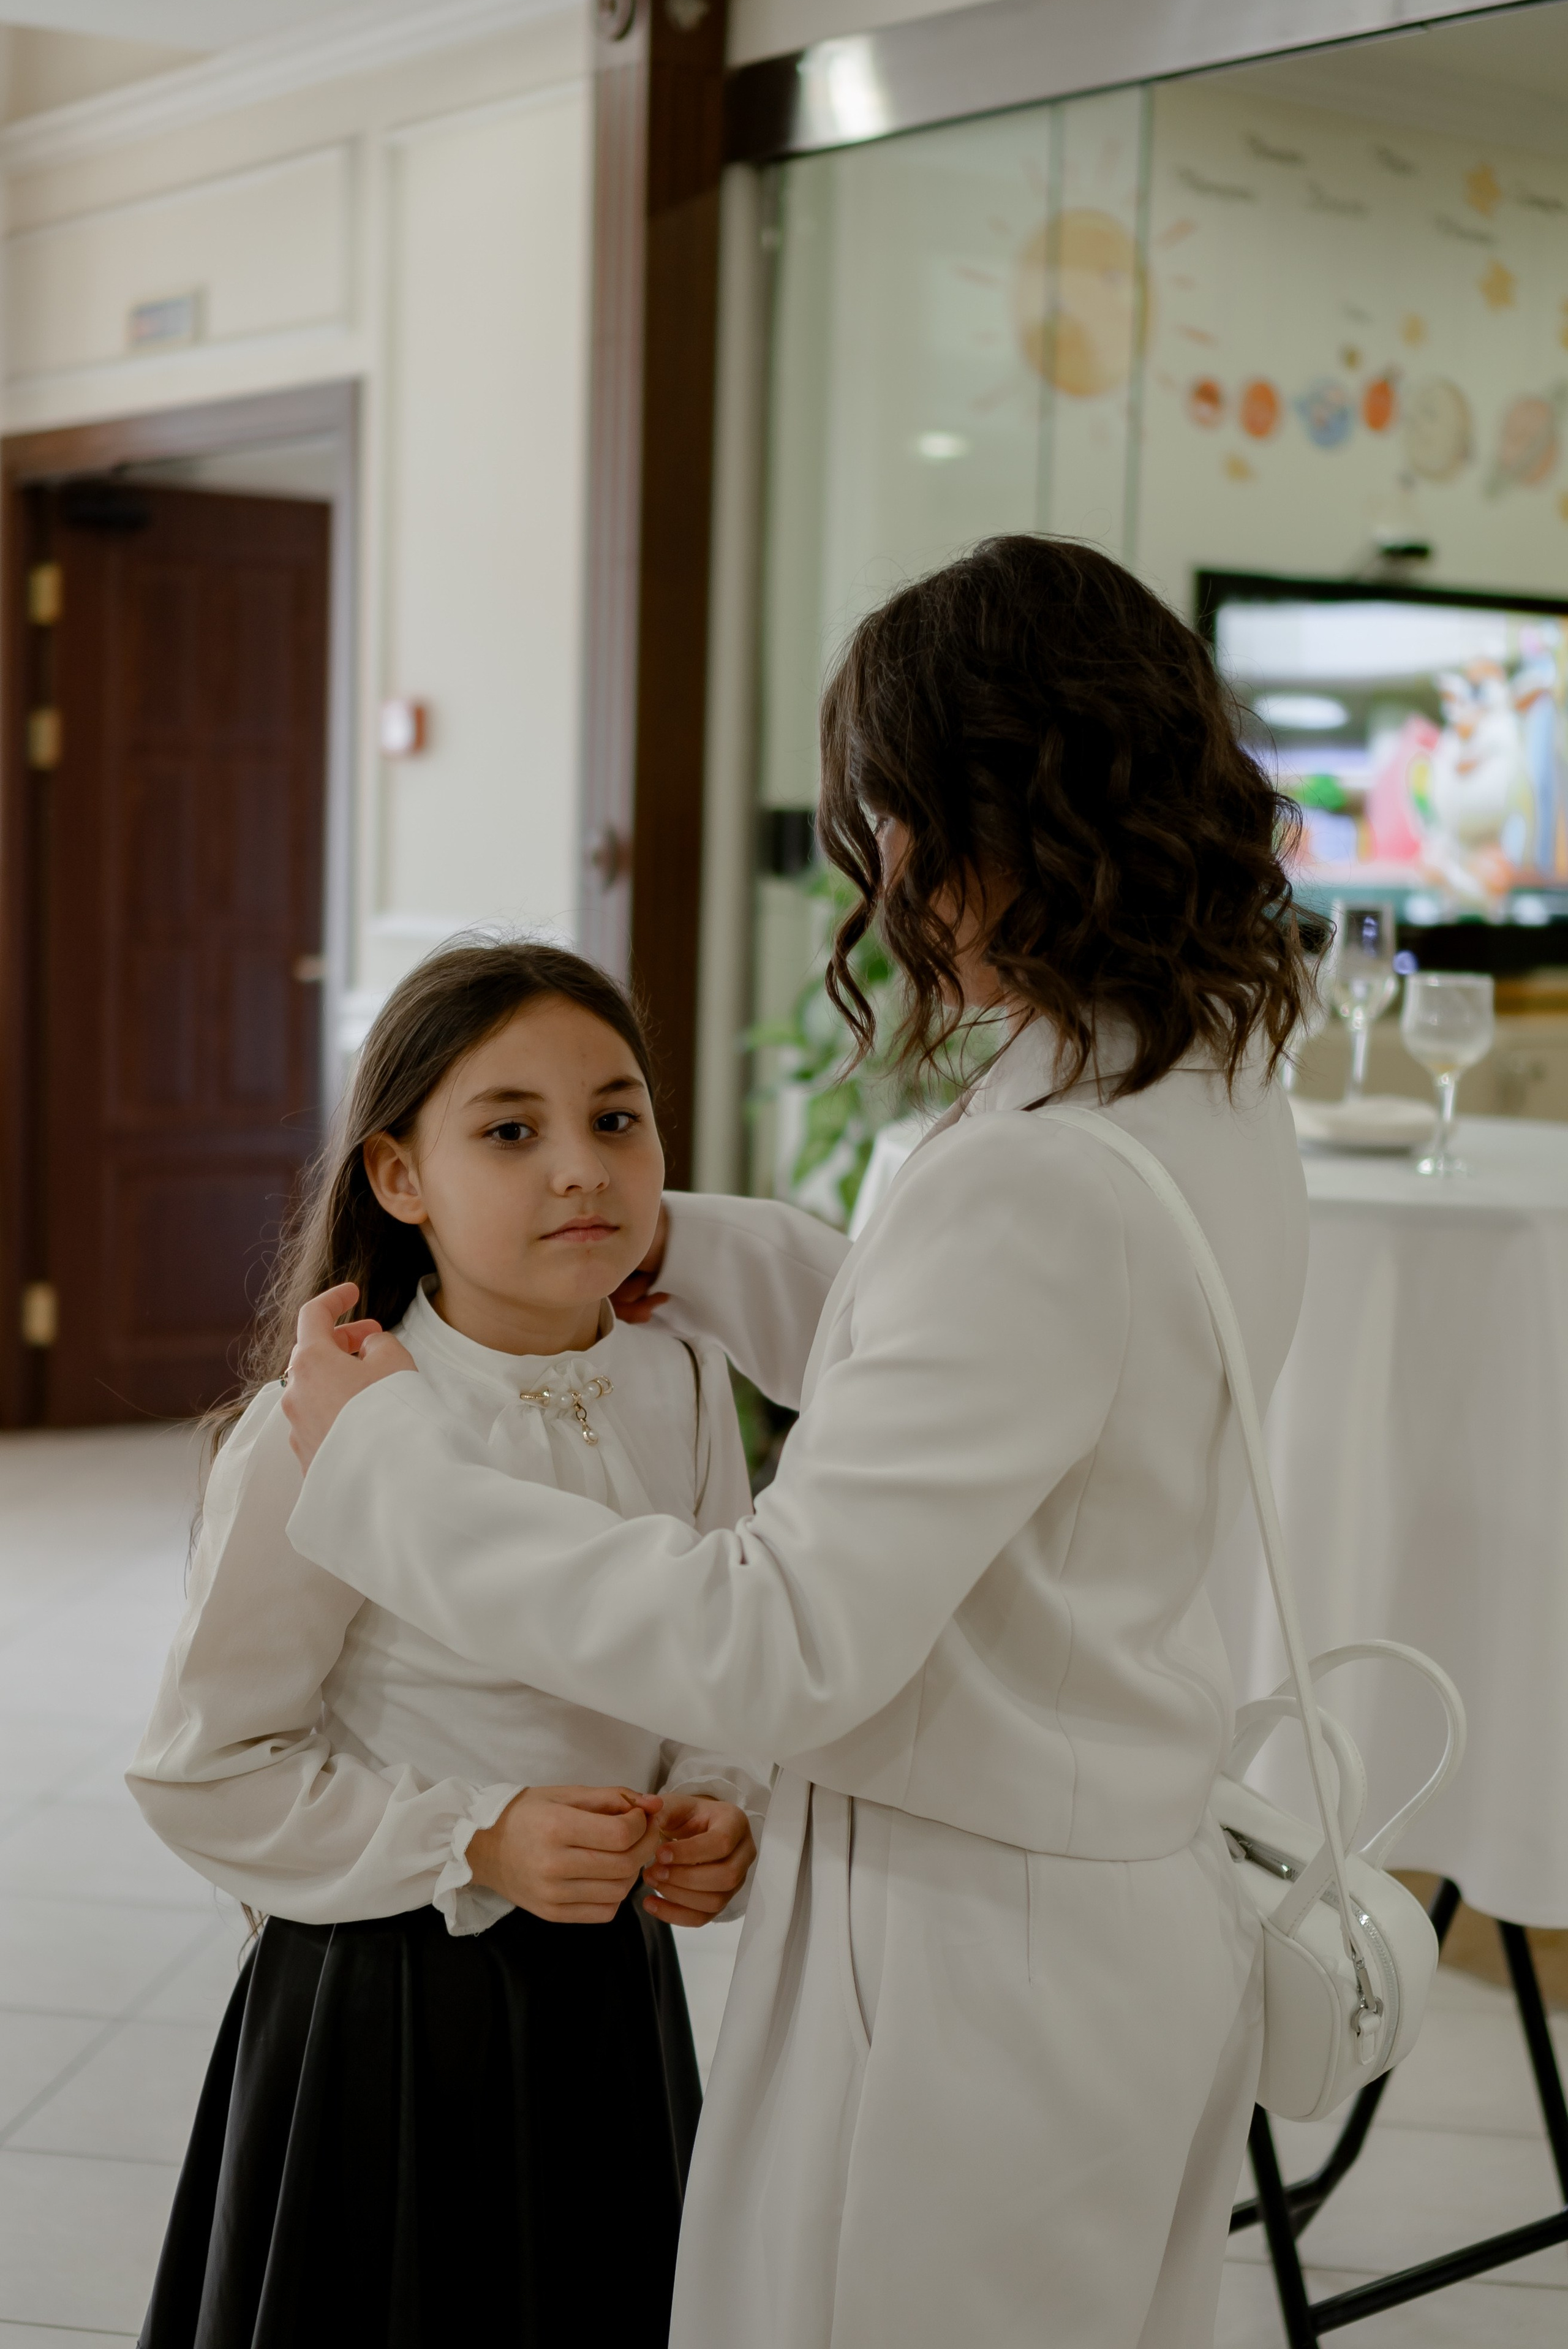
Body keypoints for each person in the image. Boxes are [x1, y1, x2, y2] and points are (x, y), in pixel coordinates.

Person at [279, 537, 1314, 2348]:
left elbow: (783, 1640)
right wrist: (693, 1248)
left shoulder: (1039, 1172)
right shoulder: (1206, 1085)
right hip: (1116, 1905)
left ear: (976, 822)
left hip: (970, 1964)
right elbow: (1007, 1375)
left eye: (891, 827)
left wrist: (387, 1469)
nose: (887, 882)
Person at [127, 940, 768, 2349]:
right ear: (399, 1178)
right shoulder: (331, 1422)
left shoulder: (684, 1381)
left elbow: (717, 1651)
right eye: (508, 1130)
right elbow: (202, 1767)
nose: (580, 1170)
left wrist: (722, 1803)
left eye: (615, 1118)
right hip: (389, 2013)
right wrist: (477, 1836)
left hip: (607, 1993)